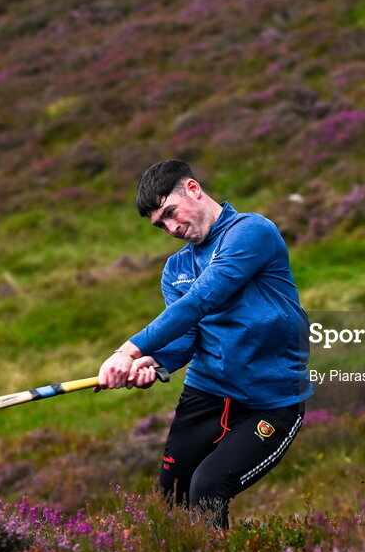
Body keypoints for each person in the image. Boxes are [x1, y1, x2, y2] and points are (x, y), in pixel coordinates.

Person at [97, 159, 312, 528]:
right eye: (160, 224)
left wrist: (127, 351)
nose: (171, 228)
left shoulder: (251, 232)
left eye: (170, 212)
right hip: (206, 393)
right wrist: (153, 362)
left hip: (270, 401)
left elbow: (204, 299)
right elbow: (185, 339)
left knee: (208, 488)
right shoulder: (175, 269)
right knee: (172, 501)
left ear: (193, 189)